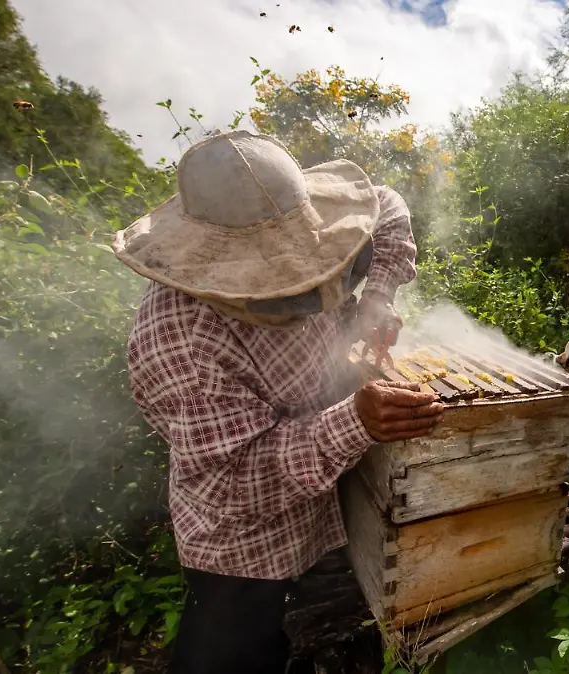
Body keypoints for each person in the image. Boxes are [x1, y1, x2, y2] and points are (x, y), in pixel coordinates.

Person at [112, 130, 444, 674]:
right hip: (247, 551)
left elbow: (386, 205)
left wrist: (377, 297)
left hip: (330, 506)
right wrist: (355, 422)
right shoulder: (178, 342)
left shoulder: (307, 209)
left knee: (343, 642)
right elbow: (236, 481)